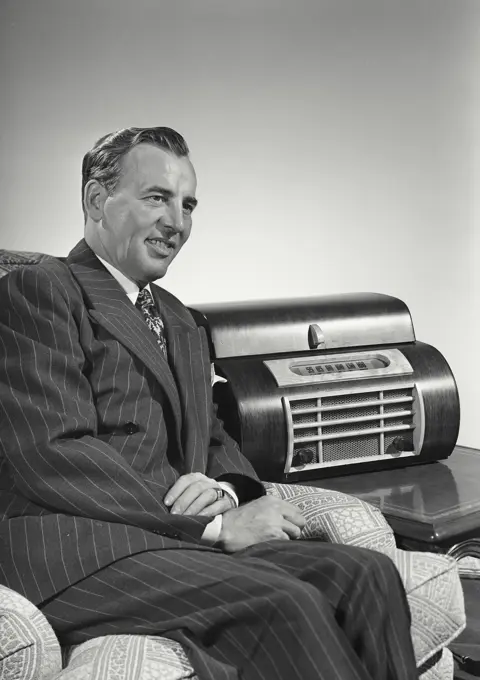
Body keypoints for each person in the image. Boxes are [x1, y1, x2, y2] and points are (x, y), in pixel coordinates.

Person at [0, 126, 418, 680]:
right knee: (285, 603)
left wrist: (225, 491)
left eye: (187, 204)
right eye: (156, 198)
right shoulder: (41, 291)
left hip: (170, 542)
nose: (176, 222)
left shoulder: (181, 318)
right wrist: (213, 529)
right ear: (97, 201)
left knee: (367, 575)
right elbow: (52, 451)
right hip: (79, 549)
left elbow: (215, 437)